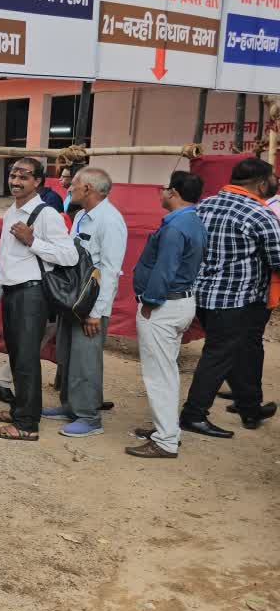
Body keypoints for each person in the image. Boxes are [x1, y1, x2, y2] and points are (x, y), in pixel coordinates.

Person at [180, 157, 280, 435]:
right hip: (238, 300)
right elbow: (278, 258)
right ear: (261, 183)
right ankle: (193, 414)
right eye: (273, 178)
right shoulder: (259, 214)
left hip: (203, 297)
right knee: (219, 356)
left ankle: (250, 408)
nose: (275, 182)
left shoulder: (205, 205)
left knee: (241, 351)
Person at [0, 158, 79, 441]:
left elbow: (69, 255)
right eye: (13, 174)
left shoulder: (46, 214)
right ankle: (20, 409)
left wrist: (32, 241)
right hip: (13, 292)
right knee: (16, 356)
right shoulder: (12, 210)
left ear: (38, 181)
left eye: (24, 176)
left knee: (25, 359)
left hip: (32, 294)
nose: (16, 180)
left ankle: (26, 425)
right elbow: (4, 257)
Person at [40, 167, 127, 437]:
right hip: (74, 298)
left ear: (88, 189)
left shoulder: (110, 221)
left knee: (85, 360)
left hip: (91, 303)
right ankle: (70, 406)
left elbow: (111, 271)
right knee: (67, 355)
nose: (69, 188)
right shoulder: (81, 217)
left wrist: (97, 313)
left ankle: (89, 418)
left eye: (74, 184)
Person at [126, 172, 208, 458]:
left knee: (158, 375)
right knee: (167, 372)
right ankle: (168, 430)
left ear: (172, 193)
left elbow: (165, 269)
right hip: (180, 303)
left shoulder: (175, 227)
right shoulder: (192, 221)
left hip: (164, 306)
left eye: (164, 189)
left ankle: (165, 441)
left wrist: (149, 301)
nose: (160, 194)